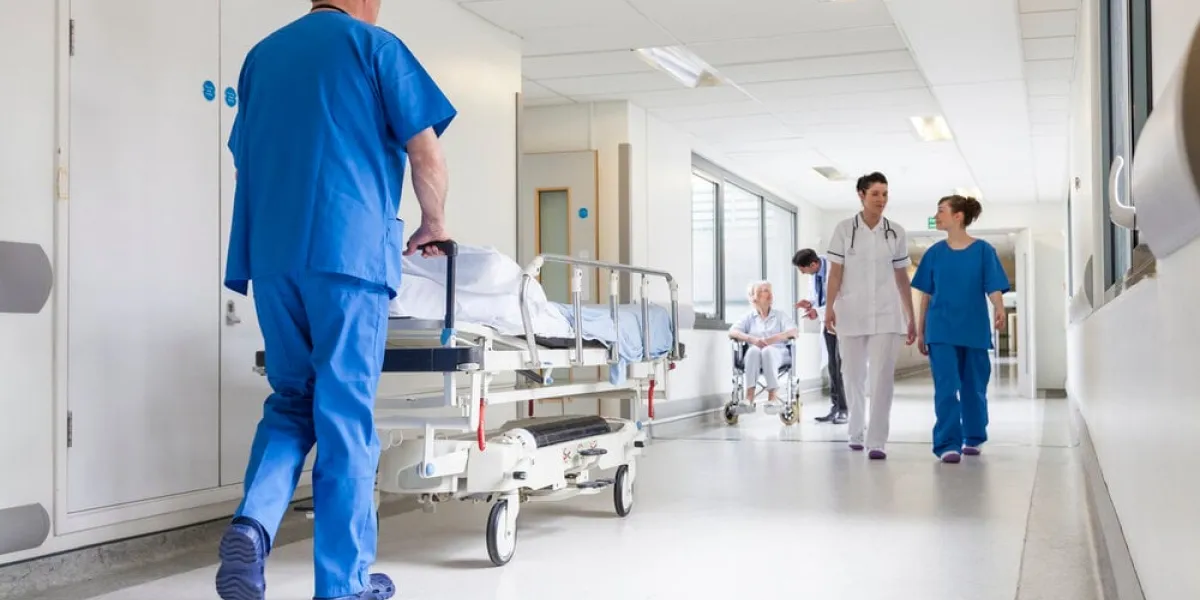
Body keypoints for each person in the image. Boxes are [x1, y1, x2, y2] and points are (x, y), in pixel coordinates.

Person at [217, 2, 457, 599]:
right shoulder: (376, 48)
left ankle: (253, 525)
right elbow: (425, 152)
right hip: (346, 257)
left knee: (293, 399)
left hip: (271, 257)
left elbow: (246, 154)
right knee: (345, 415)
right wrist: (433, 223)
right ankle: (343, 585)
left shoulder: (261, 57)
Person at [824, 172, 917, 460]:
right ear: (861, 195)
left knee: (882, 378)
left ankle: (876, 440)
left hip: (887, 314)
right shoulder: (843, 229)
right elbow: (835, 272)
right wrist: (828, 308)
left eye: (885, 194)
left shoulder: (896, 232)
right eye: (875, 193)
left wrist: (910, 316)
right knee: (851, 375)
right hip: (850, 312)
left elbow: (902, 277)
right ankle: (855, 430)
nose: (881, 199)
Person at [911, 195, 1010, 464]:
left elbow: (993, 286)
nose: (937, 215)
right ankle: (947, 443)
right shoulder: (934, 253)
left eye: (941, 211)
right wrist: (921, 331)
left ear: (958, 216)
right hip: (940, 330)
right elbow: (926, 296)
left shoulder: (983, 251)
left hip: (974, 329)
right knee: (946, 387)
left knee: (974, 387)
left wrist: (1000, 308)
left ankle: (974, 436)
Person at [792, 248, 847, 424]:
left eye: (803, 269)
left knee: (841, 365)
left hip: (842, 321)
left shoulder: (836, 268)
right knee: (832, 366)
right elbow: (820, 298)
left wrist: (818, 310)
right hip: (828, 322)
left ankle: (845, 409)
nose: (802, 273)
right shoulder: (814, 275)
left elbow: (840, 297)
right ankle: (835, 406)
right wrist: (810, 304)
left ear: (813, 264)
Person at [728, 281, 799, 406]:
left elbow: (794, 331)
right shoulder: (749, 317)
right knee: (753, 350)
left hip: (778, 354)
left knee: (767, 350)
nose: (769, 294)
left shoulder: (779, 315)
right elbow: (732, 332)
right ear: (753, 297)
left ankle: (773, 397)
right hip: (754, 357)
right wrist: (752, 340)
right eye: (764, 291)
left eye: (770, 290)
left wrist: (771, 340)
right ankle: (749, 397)